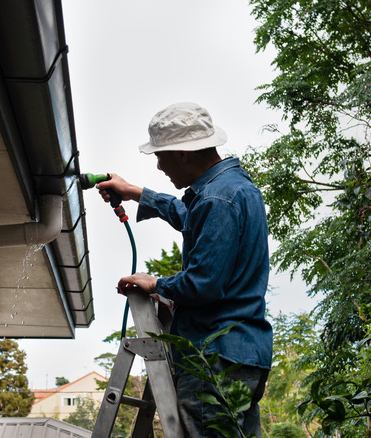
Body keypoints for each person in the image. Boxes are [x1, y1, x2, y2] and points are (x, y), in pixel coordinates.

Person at [97, 102, 273, 437]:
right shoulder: (234, 188)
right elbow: (191, 216)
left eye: (160, 156)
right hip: (243, 354)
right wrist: (136, 192)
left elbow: (203, 284)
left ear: (181, 154)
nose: (160, 166)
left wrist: (157, 284)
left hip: (214, 356)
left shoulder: (215, 200)